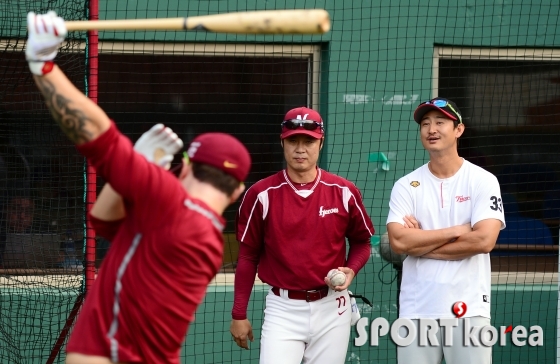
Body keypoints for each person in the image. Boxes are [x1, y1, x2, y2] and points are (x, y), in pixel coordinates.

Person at [25, 11, 251, 364]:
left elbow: (100, 139)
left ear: (186, 165)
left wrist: (44, 66)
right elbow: (104, 220)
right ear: (236, 192)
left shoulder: (167, 201)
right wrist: (135, 175)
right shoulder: (205, 237)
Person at [230, 106, 374, 363]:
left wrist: (351, 269)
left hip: (333, 307)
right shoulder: (261, 195)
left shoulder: (343, 190)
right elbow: (248, 257)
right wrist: (239, 313)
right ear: (282, 142)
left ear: (321, 143)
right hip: (283, 308)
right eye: (293, 141)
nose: (300, 149)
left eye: (308, 141)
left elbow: (362, 241)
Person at [386, 98, 505, 364]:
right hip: (417, 310)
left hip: (469, 308)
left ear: (458, 130)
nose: (431, 129)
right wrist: (458, 231)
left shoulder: (483, 180)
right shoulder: (405, 186)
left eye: (440, 122)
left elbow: (484, 240)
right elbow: (399, 242)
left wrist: (421, 246)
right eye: (425, 124)